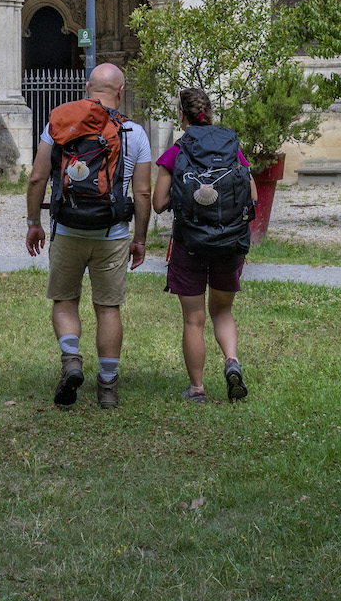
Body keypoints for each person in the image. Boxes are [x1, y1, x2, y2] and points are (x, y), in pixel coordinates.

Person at [23, 62, 150, 410]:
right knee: (108, 308)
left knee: (65, 300)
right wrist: (139, 239)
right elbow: (142, 193)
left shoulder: (59, 123)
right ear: (121, 92)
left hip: (67, 229)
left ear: (86, 87)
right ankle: (107, 386)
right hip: (112, 233)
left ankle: (71, 361)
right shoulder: (134, 133)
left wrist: (34, 222)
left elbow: (37, 177)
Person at [154, 86, 253, 403]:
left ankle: (197, 389)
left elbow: (158, 203)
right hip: (229, 242)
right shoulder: (230, 146)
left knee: (193, 320)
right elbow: (251, 193)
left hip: (190, 244)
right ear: (208, 112)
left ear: (181, 115)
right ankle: (232, 362)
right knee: (222, 312)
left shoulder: (177, 151)